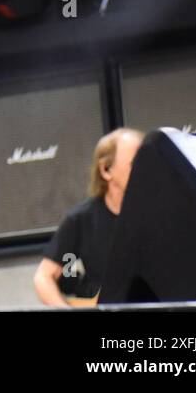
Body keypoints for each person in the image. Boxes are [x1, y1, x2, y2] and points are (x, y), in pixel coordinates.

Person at [34, 127, 143, 306]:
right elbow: (44, 277)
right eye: (136, 163)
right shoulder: (82, 220)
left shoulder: (159, 212)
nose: (145, 170)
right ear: (106, 169)